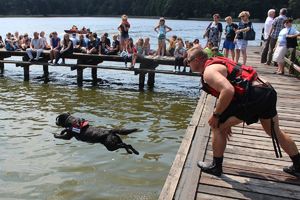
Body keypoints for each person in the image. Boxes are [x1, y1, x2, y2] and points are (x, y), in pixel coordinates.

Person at [187, 47, 300, 177]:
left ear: (196, 60)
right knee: (275, 131)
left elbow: (228, 90)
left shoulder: (209, 72)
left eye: (188, 60)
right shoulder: (216, 62)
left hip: (254, 96)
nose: (187, 63)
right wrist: (225, 118)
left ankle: (215, 167)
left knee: (216, 126)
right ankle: (298, 165)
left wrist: (217, 115)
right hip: (267, 91)